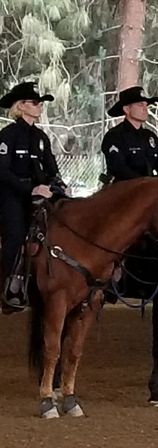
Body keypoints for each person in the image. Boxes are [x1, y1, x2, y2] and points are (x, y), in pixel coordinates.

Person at [0, 82, 65, 311]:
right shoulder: (7, 136)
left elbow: (52, 169)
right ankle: (9, 287)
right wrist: (30, 190)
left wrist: (58, 186)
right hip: (13, 195)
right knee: (16, 234)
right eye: (35, 103)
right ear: (21, 106)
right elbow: (2, 171)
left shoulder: (41, 137)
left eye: (40, 103)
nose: (40, 106)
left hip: (41, 193)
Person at [100, 86, 158, 184]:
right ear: (127, 109)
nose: (145, 109)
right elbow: (119, 169)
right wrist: (146, 184)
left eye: (146, 105)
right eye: (140, 105)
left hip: (149, 191)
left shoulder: (150, 137)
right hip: (123, 193)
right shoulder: (114, 136)